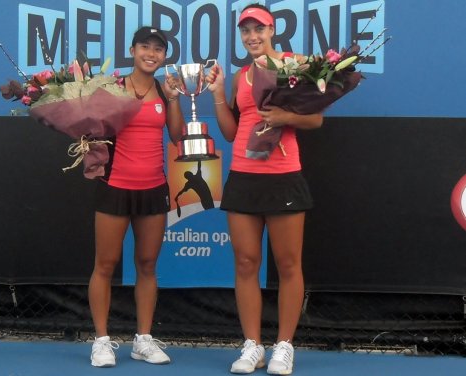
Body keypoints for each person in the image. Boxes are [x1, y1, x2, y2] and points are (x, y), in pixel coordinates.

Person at [206, 4, 323, 375]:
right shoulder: (241, 77)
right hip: (242, 175)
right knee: (245, 264)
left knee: (288, 265)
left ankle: (284, 347)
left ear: (272, 30)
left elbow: (316, 118)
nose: (252, 37)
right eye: (246, 31)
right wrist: (217, 93)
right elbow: (229, 132)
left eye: (259, 29)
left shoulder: (295, 64)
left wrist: (284, 117)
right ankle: (252, 346)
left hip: (284, 174)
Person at [88, 26, 185, 367]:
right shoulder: (112, 88)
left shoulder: (163, 90)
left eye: (158, 49)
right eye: (145, 46)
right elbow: (91, 127)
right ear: (132, 50)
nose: (151, 53)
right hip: (115, 187)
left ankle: (143, 340)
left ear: (163, 57)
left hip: (153, 189)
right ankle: (101, 341)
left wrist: (173, 99)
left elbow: (176, 135)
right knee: (105, 264)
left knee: (147, 265)